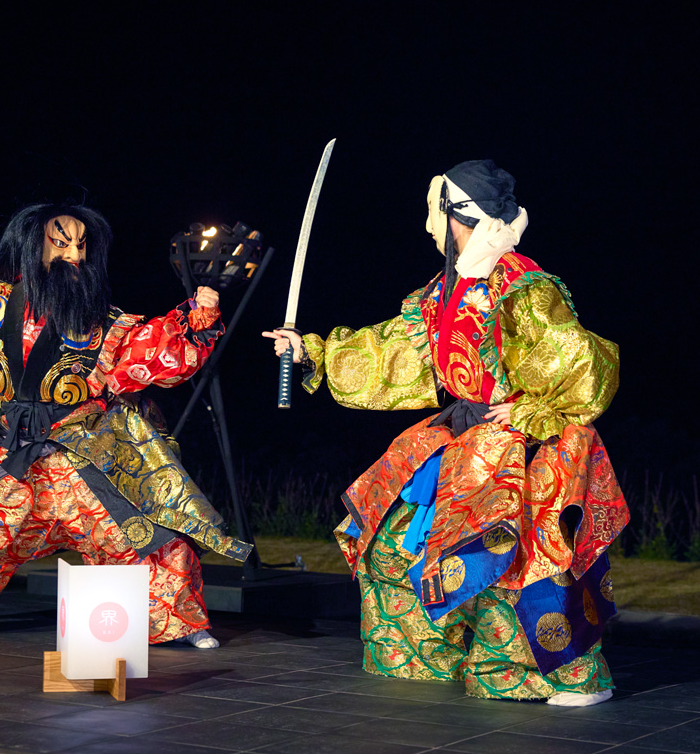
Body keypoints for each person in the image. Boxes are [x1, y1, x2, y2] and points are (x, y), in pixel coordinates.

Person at [264, 160, 626, 704]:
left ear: (462, 217)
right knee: (387, 542)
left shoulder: (521, 286)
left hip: (519, 442)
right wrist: (311, 351)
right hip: (461, 434)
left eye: (440, 214)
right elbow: (392, 347)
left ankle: (561, 672)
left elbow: (584, 366)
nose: (433, 226)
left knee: (511, 558)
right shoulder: (445, 291)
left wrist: (532, 410)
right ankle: (431, 654)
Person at [0, 192, 251, 647]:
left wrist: (197, 321)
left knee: (144, 528)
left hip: (84, 450)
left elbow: (151, 352)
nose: (74, 256)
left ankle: (173, 622)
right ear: (31, 245)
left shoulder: (104, 323)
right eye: (61, 244)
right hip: (5, 447)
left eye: (81, 247)